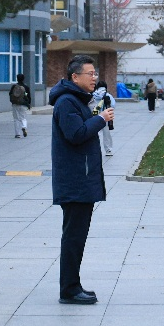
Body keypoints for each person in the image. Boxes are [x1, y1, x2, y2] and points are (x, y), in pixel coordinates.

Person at [49, 55, 113, 305]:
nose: (94, 78)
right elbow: (75, 134)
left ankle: (73, 286)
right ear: (75, 77)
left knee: (76, 236)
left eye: (95, 73)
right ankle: (69, 289)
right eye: (90, 74)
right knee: (73, 237)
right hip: (75, 181)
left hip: (81, 178)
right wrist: (101, 119)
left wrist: (96, 114)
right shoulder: (66, 102)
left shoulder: (77, 100)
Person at [92, 80, 115, 157]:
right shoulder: (107, 95)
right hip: (105, 116)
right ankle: (108, 150)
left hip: (95, 116)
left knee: (95, 133)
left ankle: (95, 149)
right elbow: (113, 105)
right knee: (106, 134)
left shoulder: (93, 94)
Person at [9, 73, 31, 138]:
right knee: (23, 118)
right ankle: (24, 127)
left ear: (17, 79)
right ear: (23, 79)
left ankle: (17, 134)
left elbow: (10, 94)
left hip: (15, 104)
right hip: (23, 104)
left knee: (16, 119)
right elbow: (28, 96)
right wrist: (29, 104)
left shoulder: (14, 86)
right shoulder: (26, 87)